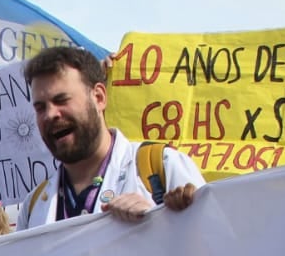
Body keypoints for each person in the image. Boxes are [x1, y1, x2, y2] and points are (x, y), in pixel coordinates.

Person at [17, 45, 205, 228]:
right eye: (40, 107)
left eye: (61, 100)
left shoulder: (162, 166)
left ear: (98, 98)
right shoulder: (33, 208)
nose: (50, 115)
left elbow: (215, 249)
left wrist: (156, 223)